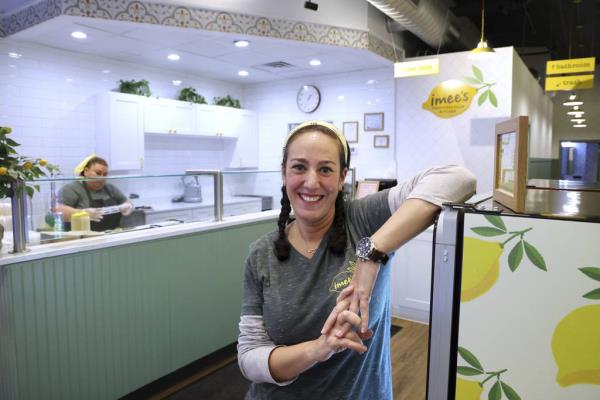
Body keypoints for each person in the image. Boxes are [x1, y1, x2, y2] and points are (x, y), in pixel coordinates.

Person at [237, 120, 476, 399]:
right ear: (284, 173)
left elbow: (459, 179)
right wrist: (319, 348)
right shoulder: (260, 254)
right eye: (299, 167)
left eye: (325, 169)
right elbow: (250, 358)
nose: (311, 181)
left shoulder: (364, 220)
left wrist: (371, 252)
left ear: (342, 178)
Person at [56, 155, 133, 231]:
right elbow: (57, 211)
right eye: (98, 173)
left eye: (105, 174)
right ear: (86, 171)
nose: (102, 177)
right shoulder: (72, 189)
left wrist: (128, 206)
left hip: (111, 237)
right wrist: (83, 213)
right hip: (84, 239)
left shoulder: (110, 188)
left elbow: (126, 201)